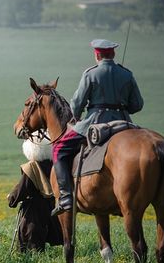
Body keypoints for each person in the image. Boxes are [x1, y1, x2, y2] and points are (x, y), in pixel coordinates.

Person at [51, 39, 144, 216]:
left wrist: (77, 117)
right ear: (113, 54)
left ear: (97, 55)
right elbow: (137, 104)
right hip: (124, 123)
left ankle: (64, 196)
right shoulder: (127, 74)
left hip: (95, 122)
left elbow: (77, 103)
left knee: (58, 149)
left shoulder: (90, 74)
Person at [7, 134, 62, 252]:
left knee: (29, 239)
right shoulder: (55, 166)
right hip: (52, 207)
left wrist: (12, 199)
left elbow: (23, 188)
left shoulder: (32, 167)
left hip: (34, 209)